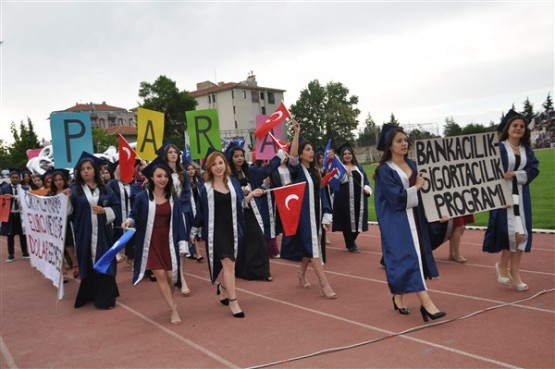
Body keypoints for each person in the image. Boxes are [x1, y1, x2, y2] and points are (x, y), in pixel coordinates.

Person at [373, 124, 445, 322]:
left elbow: (430, 191)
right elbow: (396, 199)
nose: (404, 143)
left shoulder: (414, 164)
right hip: (396, 221)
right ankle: (426, 303)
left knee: (416, 256)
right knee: (407, 258)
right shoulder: (384, 172)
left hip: (416, 219)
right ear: (389, 146)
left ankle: (398, 296)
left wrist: (441, 210)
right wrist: (417, 187)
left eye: (405, 140)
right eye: (399, 141)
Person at [191, 150, 265, 318]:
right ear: (209, 168)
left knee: (231, 263)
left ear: (225, 165)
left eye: (221, 163)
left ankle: (223, 288)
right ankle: (234, 301)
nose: (218, 167)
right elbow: (201, 213)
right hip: (216, 231)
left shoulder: (233, 183)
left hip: (233, 229)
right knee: (228, 263)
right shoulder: (206, 189)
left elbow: (240, 204)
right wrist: (193, 230)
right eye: (214, 164)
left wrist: (252, 195)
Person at [122, 157, 187, 324]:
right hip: (150, 240)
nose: (163, 179)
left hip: (168, 239)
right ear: (151, 177)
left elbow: (179, 221)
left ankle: (170, 301)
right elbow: (134, 215)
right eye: (159, 176)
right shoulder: (142, 197)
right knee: (160, 274)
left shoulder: (172, 197)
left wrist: (182, 241)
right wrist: (129, 222)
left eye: (165, 176)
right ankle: (173, 309)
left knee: (171, 276)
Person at [483, 109, 540, 291]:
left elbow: (534, 169)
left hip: (521, 196)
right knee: (511, 233)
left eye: (522, 126)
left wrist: (515, 174)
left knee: (522, 235)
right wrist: (500, 195)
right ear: (508, 128)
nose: (518, 129)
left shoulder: (526, 150)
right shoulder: (499, 149)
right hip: (503, 196)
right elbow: (489, 174)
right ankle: (502, 265)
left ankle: (514, 271)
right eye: (515, 125)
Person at [280, 121, 337, 299]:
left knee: (311, 247)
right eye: (308, 149)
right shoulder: (297, 171)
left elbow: (322, 194)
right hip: (304, 217)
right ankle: (324, 284)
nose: (312, 152)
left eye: (312, 149)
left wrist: (326, 214)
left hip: (316, 214)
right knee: (314, 248)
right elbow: (293, 155)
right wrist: (297, 133)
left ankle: (301, 274)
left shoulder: (315, 172)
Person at [70, 152, 121, 309]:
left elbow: (117, 208)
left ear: (95, 170)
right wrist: (63, 200)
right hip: (84, 232)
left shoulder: (106, 189)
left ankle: (105, 298)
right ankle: (89, 293)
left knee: (105, 261)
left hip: (103, 234)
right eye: (83, 169)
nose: (86, 171)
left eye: (89, 168)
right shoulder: (73, 190)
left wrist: (104, 211)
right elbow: (68, 212)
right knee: (87, 260)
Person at [226, 145, 281, 281]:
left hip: (251, 211)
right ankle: (243, 270)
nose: (239, 158)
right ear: (231, 158)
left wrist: (279, 156)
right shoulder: (228, 176)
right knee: (242, 242)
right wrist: (242, 191)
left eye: (241, 156)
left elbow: (267, 170)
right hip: (236, 214)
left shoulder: (250, 171)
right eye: (236, 156)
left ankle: (263, 272)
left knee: (258, 238)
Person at [158, 142, 193, 295]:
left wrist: (182, 208)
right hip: (166, 213)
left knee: (182, 245)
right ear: (165, 155)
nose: (173, 154)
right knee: (168, 246)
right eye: (170, 152)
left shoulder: (183, 173)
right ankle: (172, 274)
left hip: (181, 213)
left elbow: (186, 193)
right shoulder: (161, 173)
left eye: (175, 152)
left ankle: (182, 277)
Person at [332, 143, 372, 253]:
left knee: (359, 221)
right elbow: (335, 182)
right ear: (342, 156)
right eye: (345, 154)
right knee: (347, 222)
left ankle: (351, 240)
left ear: (352, 155)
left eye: (349, 153)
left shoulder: (358, 167)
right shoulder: (340, 168)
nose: (347, 155)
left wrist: (367, 189)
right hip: (345, 200)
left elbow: (366, 180)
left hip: (359, 199)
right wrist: (345, 176)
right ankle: (350, 244)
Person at [46, 168, 79, 280]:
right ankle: (62, 271)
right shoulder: (50, 194)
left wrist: (69, 196)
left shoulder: (70, 191)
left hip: (68, 221)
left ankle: (75, 266)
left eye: (60, 179)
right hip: (55, 222)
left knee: (70, 245)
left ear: (64, 180)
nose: (58, 182)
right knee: (58, 246)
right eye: (56, 180)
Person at [1, 169, 30, 262]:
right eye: (13, 177)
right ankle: (11, 254)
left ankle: (25, 252)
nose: (15, 179)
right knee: (10, 235)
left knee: (23, 234)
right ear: (10, 178)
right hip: (10, 214)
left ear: (19, 178)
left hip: (21, 214)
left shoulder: (24, 188)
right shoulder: (4, 189)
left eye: (16, 177)